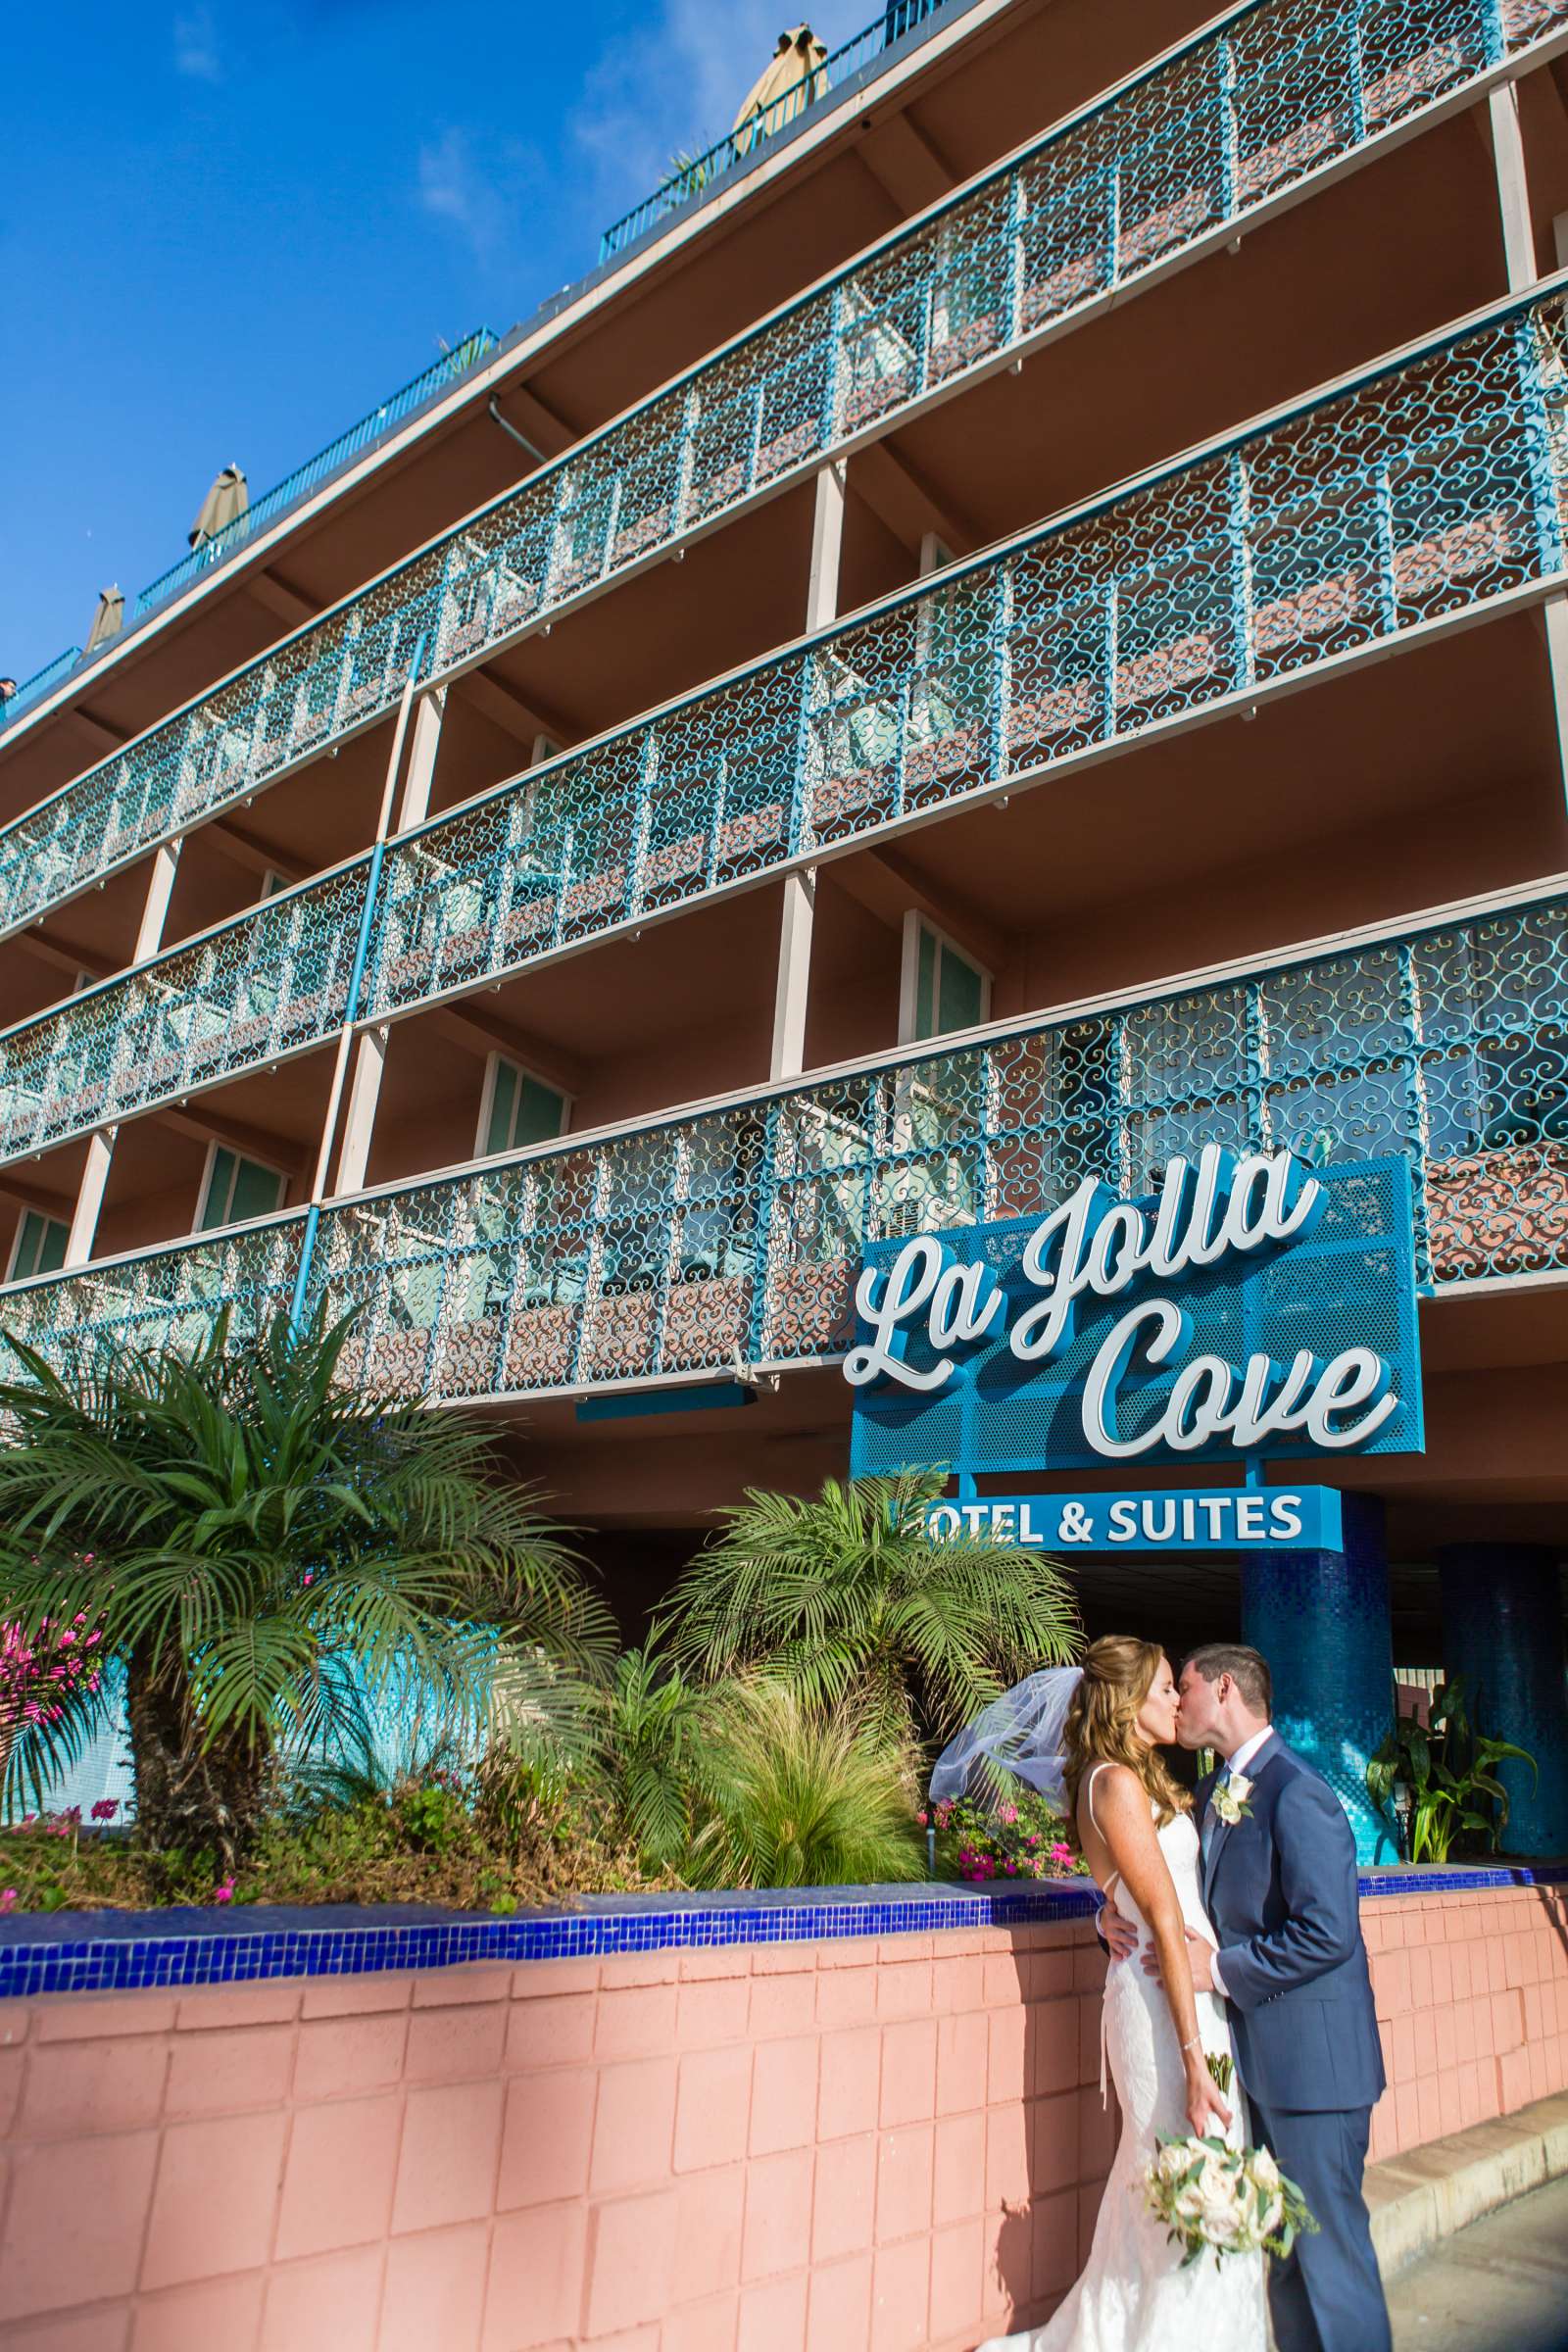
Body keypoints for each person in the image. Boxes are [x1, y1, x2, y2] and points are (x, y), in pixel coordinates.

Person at [973, 1637, 1268, 2351]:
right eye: (1166, 1687)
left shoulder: (1137, 1779)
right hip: (1165, 2012)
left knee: (1183, 2172)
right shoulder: (1115, 1783)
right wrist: (1195, 2061)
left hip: (1191, 1997)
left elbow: (1137, 1898)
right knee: (1179, 2168)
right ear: (1128, 1700)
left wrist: (1104, 1911)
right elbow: (1163, 1917)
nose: (1177, 1699)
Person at [1102, 1643, 1390, 2352]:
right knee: (1286, 2258)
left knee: (1331, 2262)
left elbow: (1328, 1934)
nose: (1177, 1702)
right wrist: (1106, 1913)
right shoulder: (1208, 1794)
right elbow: (1164, 1889)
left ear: (1223, 1688)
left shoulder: (1299, 1791)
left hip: (1315, 2073)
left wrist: (1218, 1972)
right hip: (1256, 2065)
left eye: (1186, 1687)